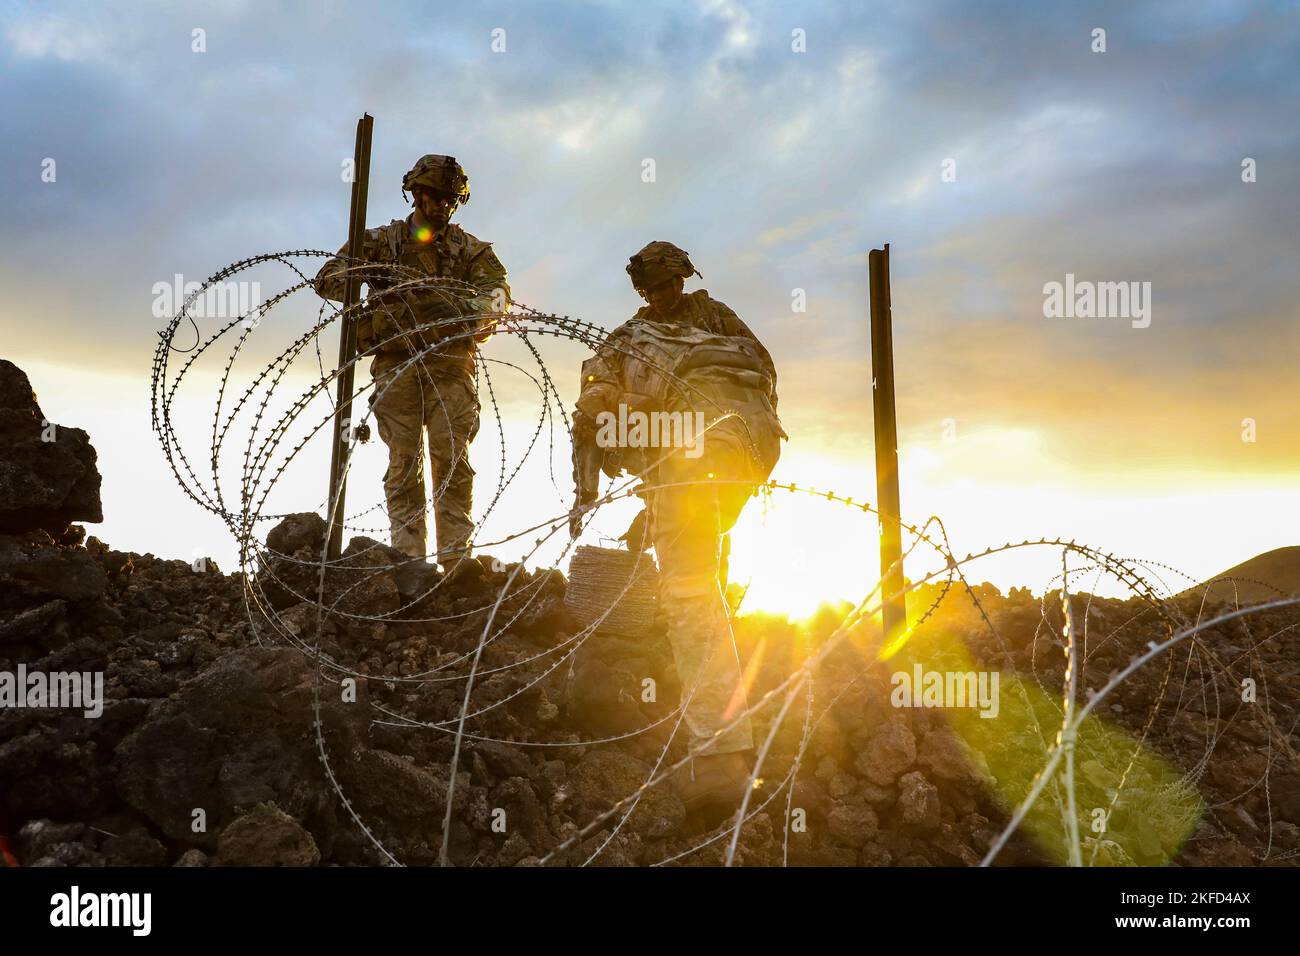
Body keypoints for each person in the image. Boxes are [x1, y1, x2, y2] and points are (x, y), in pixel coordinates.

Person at [570, 241, 785, 818]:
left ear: (682, 280)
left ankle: (720, 756)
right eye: (654, 286)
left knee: (689, 586)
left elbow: (593, 405)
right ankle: (707, 654)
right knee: (702, 564)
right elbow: (763, 375)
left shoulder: (637, 337)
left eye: (669, 284)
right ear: (643, 287)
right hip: (744, 449)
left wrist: (589, 478)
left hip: (691, 455)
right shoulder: (714, 324)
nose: (662, 294)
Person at [314, 154, 509, 569]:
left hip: (451, 366)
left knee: (451, 457)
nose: (443, 206)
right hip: (396, 362)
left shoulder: (470, 251)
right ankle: (408, 559)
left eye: (451, 199)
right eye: (436, 196)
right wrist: (363, 274)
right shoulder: (380, 243)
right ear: (417, 194)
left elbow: (495, 294)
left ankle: (456, 560)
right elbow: (328, 278)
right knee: (404, 463)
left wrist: (467, 311)